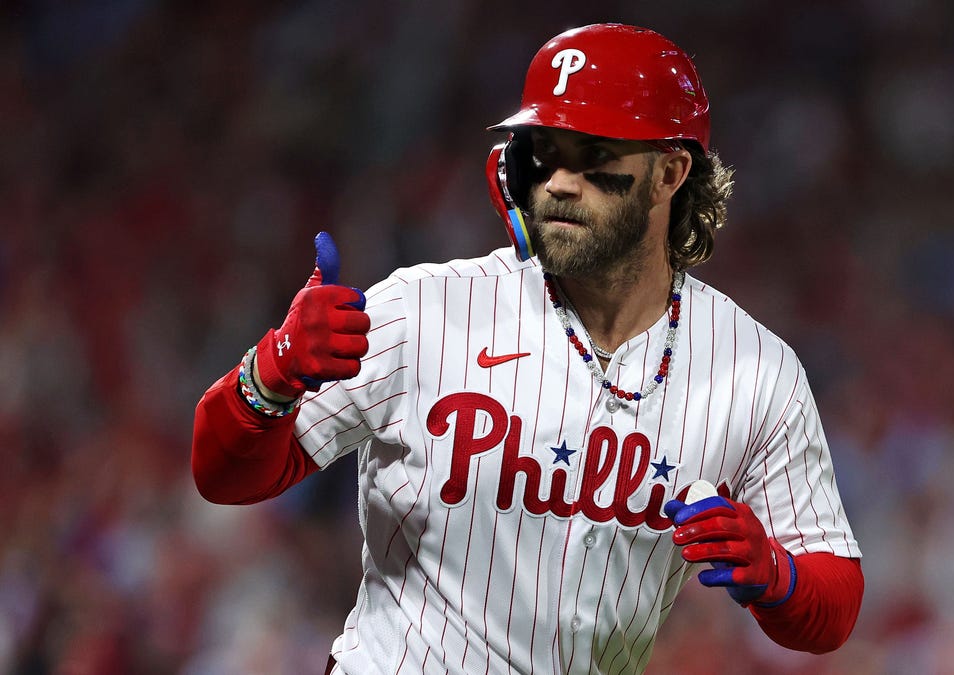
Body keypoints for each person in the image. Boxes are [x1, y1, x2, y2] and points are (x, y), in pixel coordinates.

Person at [192, 23, 864, 674]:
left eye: (594, 154)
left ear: (670, 172)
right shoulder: (422, 309)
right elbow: (223, 477)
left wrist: (777, 576)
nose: (560, 182)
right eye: (545, 151)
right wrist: (270, 375)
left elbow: (834, 604)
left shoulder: (755, 368)